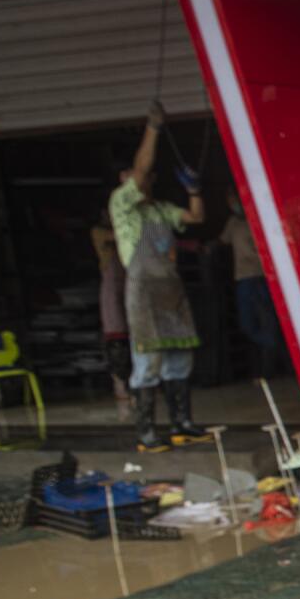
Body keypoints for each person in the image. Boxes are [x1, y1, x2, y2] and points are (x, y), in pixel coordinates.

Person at [109, 100, 207, 451]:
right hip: (144, 295)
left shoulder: (162, 209)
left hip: (171, 293)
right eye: (138, 176)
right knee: (147, 364)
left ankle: (182, 423)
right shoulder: (123, 206)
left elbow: (195, 218)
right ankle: (146, 432)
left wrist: (194, 189)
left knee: (180, 362)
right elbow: (140, 167)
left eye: (148, 177)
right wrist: (153, 128)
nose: (144, 180)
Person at [222, 188, 280, 373]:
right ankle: (273, 346)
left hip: (262, 278)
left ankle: (269, 367)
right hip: (243, 279)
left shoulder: (259, 221)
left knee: (267, 320)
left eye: (235, 199)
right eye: (230, 201)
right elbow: (222, 241)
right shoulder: (233, 223)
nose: (233, 204)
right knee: (247, 324)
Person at [89, 207, 132, 421]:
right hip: (111, 288)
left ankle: (134, 384)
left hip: (127, 285)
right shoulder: (98, 232)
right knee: (116, 338)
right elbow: (119, 236)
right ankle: (120, 385)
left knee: (132, 335)